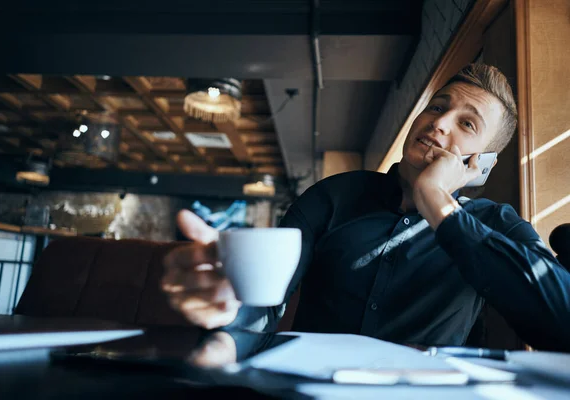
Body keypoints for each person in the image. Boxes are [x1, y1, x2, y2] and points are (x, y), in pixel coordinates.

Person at [161, 64, 570, 350]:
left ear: (481, 164)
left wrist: (437, 202)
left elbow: (562, 321)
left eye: (467, 124)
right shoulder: (332, 197)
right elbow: (262, 308)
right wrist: (222, 338)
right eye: (438, 106)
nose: (439, 123)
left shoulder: (497, 224)